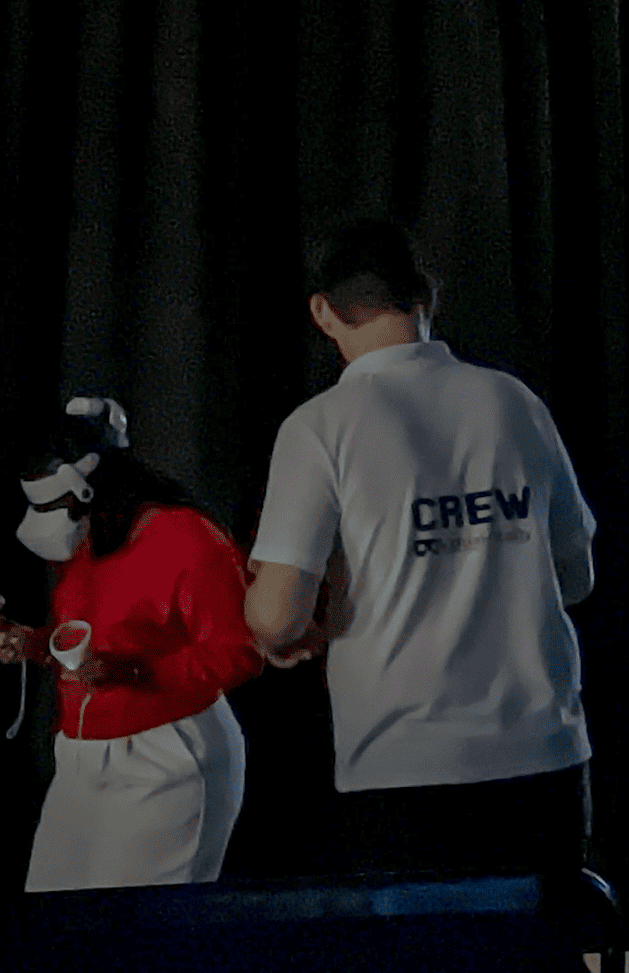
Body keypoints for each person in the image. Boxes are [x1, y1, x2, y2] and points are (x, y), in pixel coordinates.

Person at [243, 220, 598, 881]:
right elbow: (575, 580)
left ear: (323, 312)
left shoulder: (320, 427)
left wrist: (286, 626)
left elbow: (276, 616)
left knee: (421, 947)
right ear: (426, 296)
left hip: (402, 767)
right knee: (538, 946)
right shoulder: (514, 402)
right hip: (542, 757)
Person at [0, 396, 265, 892]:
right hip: (80, 762)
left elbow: (239, 652)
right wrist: (31, 644)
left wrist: (134, 673)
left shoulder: (186, 537)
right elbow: (96, 639)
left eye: (53, 505)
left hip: (168, 760)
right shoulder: (88, 539)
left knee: (137, 930)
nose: (46, 518)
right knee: (54, 922)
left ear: (91, 488)